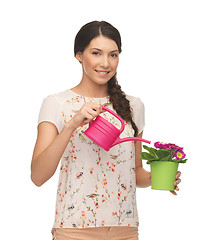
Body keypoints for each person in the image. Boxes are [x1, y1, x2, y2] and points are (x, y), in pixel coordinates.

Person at [31, 21, 181, 240]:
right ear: (79, 55)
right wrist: (72, 125)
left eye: (113, 54)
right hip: (73, 231)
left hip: (125, 230)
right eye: (96, 53)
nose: (105, 63)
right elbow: (38, 176)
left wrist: (157, 177)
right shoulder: (57, 104)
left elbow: (134, 172)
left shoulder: (132, 106)